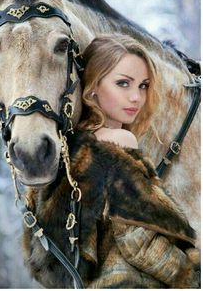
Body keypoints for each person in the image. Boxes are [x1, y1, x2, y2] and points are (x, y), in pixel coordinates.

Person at [23, 34, 200, 289]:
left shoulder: (69, 148)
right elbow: (139, 241)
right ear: (93, 86)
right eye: (123, 83)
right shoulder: (119, 141)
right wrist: (192, 276)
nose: (136, 97)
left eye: (143, 85)